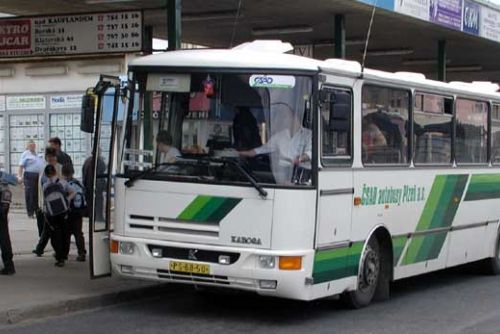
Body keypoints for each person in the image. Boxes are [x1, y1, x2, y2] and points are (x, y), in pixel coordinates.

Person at [238, 105, 312, 184]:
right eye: (282, 117)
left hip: (302, 172)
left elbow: (310, 153)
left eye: (285, 116)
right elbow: (259, 150)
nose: (283, 120)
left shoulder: (308, 134)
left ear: (295, 117)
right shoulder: (279, 136)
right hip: (283, 172)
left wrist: (299, 159)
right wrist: (239, 153)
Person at [42, 164, 75, 267]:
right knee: (65, 233)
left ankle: (59, 256)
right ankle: (64, 255)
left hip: (52, 213)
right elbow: (73, 192)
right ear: (55, 172)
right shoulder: (63, 182)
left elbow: (45, 200)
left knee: (55, 235)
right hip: (64, 212)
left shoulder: (45, 185)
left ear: (46, 175)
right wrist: (67, 200)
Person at [33, 147, 62, 256]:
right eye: (48, 157)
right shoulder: (44, 169)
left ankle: (59, 252)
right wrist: (41, 204)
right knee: (48, 228)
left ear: (55, 157)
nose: (50, 159)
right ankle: (40, 249)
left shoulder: (59, 168)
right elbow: (40, 188)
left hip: (57, 205)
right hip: (46, 205)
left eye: (52, 157)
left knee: (53, 229)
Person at [62, 164, 87, 262]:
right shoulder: (78, 183)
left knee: (66, 233)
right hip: (78, 212)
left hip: (69, 211)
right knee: (78, 233)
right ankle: (82, 253)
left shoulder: (65, 184)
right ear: (72, 173)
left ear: (63, 173)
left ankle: (64, 254)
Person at [17, 140, 44, 218]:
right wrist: (19, 176)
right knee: (30, 194)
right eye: (31, 146)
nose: (33, 147)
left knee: (37, 194)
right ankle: (30, 212)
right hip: (29, 175)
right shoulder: (25, 154)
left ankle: (37, 210)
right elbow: (21, 166)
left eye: (34, 145)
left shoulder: (37, 154)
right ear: (28, 146)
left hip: (38, 176)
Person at [82, 154, 106, 221]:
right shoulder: (99, 161)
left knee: (90, 202)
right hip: (96, 185)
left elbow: (84, 172)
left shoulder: (87, 160)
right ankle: (98, 217)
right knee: (98, 201)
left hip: (88, 185)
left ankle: (92, 216)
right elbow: (102, 172)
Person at [0, 174, 15, 275]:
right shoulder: (5, 185)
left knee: (4, 240)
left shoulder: (3, 186)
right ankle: (9, 266)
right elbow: (6, 204)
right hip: (2, 216)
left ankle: (9, 266)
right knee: (4, 240)